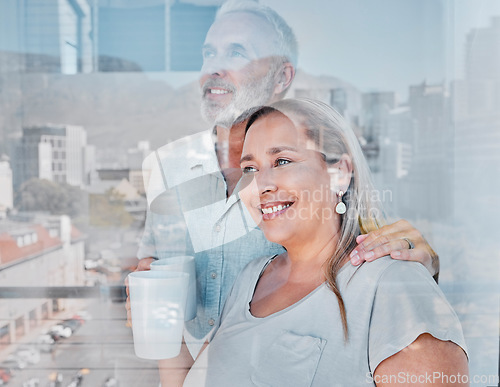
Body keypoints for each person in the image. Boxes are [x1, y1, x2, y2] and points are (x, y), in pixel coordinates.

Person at [126, 0, 440, 382]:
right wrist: (150, 292)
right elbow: (153, 265)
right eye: (209, 52)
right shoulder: (167, 166)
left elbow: (382, 253)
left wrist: (420, 266)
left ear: (282, 75)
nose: (214, 67)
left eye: (237, 52)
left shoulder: (325, 173)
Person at [183, 98, 468, 386]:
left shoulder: (393, 284)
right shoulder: (248, 280)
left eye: (282, 161)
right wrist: (166, 328)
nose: (261, 184)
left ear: (340, 173)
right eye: (250, 169)